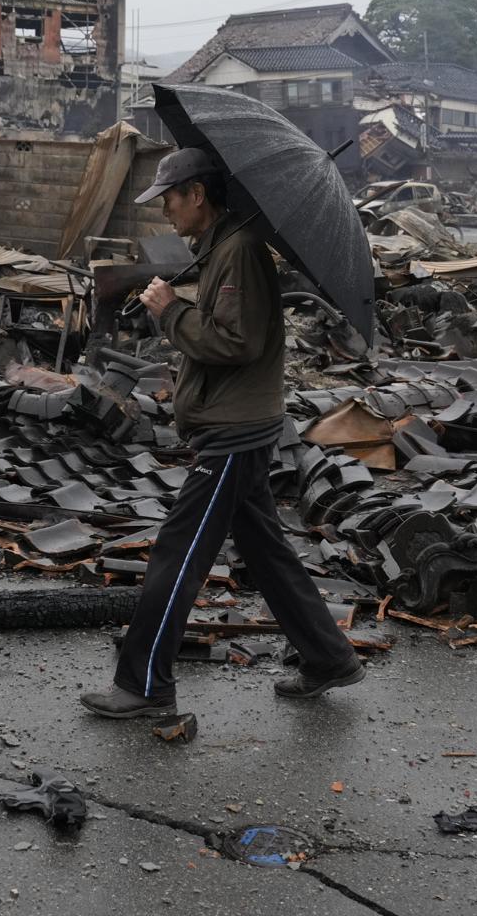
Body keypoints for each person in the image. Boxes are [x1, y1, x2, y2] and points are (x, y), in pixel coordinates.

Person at [80, 147, 364, 719]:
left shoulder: (236, 251)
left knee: (177, 553)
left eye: (170, 198)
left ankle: (144, 686)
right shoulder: (221, 249)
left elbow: (237, 344)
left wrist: (169, 313)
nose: (166, 211)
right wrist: (178, 303)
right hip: (238, 425)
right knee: (266, 553)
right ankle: (328, 657)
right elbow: (227, 329)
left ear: (198, 195)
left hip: (235, 432)